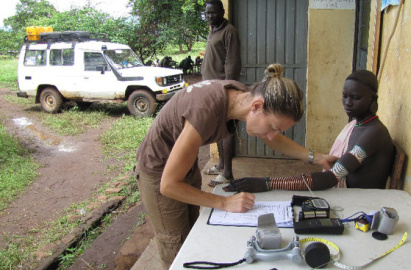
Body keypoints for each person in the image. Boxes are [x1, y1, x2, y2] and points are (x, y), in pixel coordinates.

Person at [135, 64, 337, 269]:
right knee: (176, 245)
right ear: (257, 106)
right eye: (273, 127)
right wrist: (224, 203)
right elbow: (169, 185)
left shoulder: (242, 97)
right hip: (158, 170)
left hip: (184, 165)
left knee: (191, 233)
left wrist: (317, 158)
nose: (270, 135)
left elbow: (272, 139)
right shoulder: (206, 111)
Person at [223, 70, 394, 193]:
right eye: (345, 96)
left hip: (365, 204)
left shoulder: (373, 134)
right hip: (350, 198)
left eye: (356, 98)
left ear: (373, 99)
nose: (348, 103)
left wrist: (267, 183)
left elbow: (331, 178)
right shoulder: (357, 125)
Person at [201, 0, 242, 187]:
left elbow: (232, 63)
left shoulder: (229, 31)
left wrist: (227, 88)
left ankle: (228, 173)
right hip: (210, 88)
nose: (210, 16)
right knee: (217, 128)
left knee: (227, 130)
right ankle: (220, 165)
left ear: (222, 12)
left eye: (213, 13)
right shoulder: (213, 30)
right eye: (207, 13)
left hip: (222, 89)